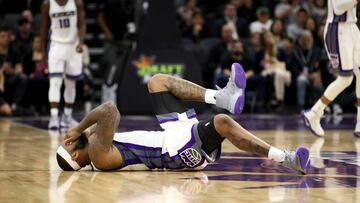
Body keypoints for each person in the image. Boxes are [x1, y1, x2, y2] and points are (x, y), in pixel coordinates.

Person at [56, 63, 310, 174]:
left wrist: (81, 132)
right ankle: (287, 159)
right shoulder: (98, 155)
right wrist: (79, 128)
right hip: (177, 152)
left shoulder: (99, 152)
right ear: (75, 155)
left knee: (157, 81)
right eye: (68, 144)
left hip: (171, 136)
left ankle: (223, 97)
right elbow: (110, 110)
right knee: (223, 123)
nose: (70, 140)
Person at [302, 0, 360, 137]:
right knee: (346, 79)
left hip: (352, 28)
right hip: (338, 30)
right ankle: (315, 113)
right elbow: (339, 8)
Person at [40, 0, 86, 129]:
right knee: (55, 82)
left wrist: (81, 42)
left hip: (73, 45)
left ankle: (67, 117)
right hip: (56, 45)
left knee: (71, 83)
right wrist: (43, 51)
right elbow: (43, 28)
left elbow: (82, 24)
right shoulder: (47, 4)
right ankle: (54, 117)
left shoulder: (77, 3)